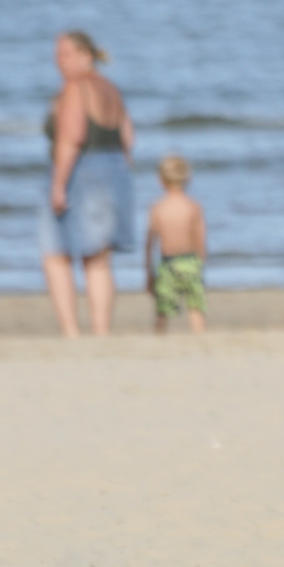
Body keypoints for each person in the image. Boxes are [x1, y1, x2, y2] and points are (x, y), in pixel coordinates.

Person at [40, 31, 135, 337]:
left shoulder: (75, 88)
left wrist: (58, 185)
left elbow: (72, 137)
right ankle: (101, 330)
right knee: (98, 260)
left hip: (82, 172)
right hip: (114, 169)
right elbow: (128, 139)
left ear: (86, 55)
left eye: (66, 54)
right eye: (57, 55)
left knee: (56, 253)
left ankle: (71, 331)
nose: (60, 61)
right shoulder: (111, 89)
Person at [145, 155, 207, 333]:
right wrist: (201, 262)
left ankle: (160, 335)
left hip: (168, 264)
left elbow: (150, 243)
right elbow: (200, 239)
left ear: (160, 180)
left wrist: (149, 270)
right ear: (188, 178)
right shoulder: (193, 206)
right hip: (190, 262)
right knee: (196, 306)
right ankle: (199, 334)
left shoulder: (158, 207)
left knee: (162, 309)